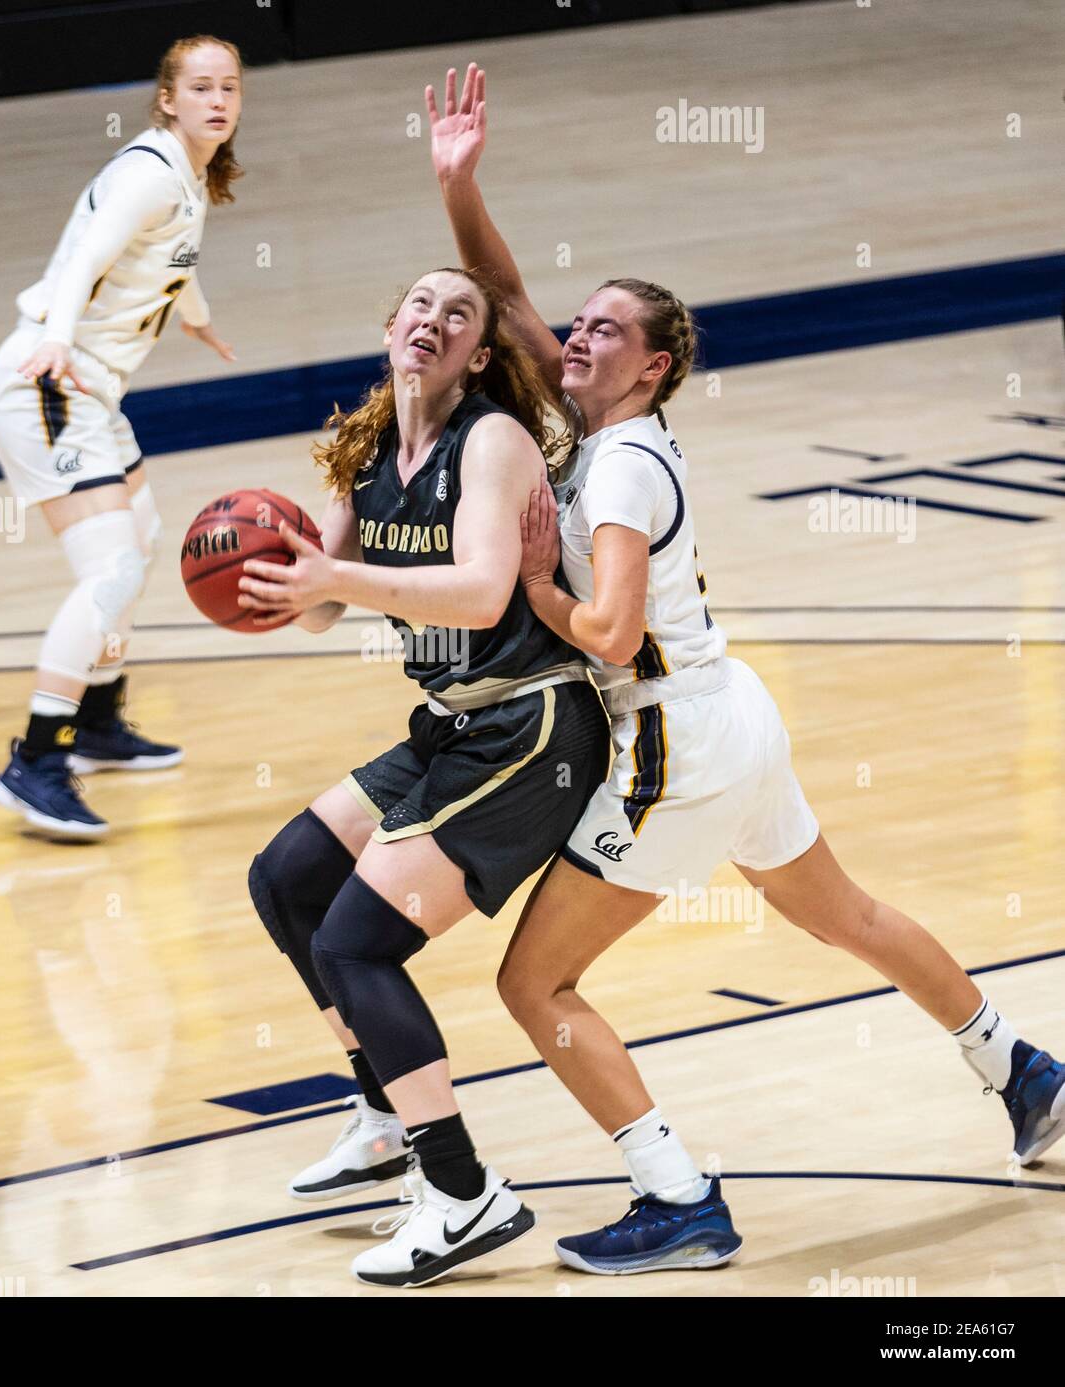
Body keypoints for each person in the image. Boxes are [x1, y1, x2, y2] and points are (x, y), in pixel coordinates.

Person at [427, 63, 1065, 1276]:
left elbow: (608, 635)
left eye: (606, 328)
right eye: (584, 319)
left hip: (673, 743)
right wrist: (462, 184)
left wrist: (529, 584)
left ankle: (681, 1198)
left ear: (655, 365)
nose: (576, 334)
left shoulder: (616, 467)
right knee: (845, 916)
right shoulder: (598, 426)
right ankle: (1022, 1067)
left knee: (534, 980)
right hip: (732, 712)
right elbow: (505, 294)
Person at [241, 267, 612, 1286]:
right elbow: (319, 606)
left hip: (534, 724)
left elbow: (486, 592)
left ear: (480, 356)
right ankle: (379, 1108)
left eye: (461, 315)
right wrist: (268, 574)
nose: (435, 321)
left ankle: (460, 1191)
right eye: (419, 304)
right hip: (452, 724)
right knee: (288, 880)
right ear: (392, 325)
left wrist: (336, 578)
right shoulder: (363, 450)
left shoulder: (490, 441)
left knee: (358, 944)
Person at [0, 34, 242, 839]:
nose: (217, 100)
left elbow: (172, 261)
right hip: (47, 384)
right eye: (200, 87)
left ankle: (96, 719)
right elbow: (86, 259)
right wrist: (57, 337)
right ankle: (38, 758)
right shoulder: (145, 173)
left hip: (89, 393)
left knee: (143, 535)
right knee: (111, 569)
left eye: (229, 87)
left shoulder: (183, 174)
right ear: (167, 97)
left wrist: (196, 321)